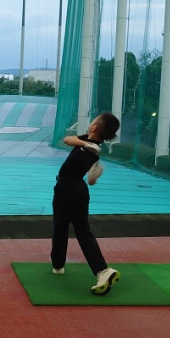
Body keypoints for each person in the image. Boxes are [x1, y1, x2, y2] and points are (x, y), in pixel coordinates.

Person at [50, 112, 120, 295]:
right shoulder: (87, 142)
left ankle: (99, 271)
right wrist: (84, 143)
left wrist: (93, 177)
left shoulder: (93, 150)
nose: (92, 122)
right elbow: (67, 139)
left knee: (64, 228)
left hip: (69, 190)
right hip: (75, 190)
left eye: (94, 120)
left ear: (94, 127)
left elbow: (90, 177)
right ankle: (98, 270)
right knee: (77, 229)